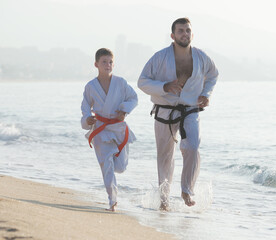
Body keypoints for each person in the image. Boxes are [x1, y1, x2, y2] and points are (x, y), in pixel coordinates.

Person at [138, 17, 218, 210]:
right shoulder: (159, 57)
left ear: (192, 34)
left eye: (188, 30)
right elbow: (142, 82)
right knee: (165, 156)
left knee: (192, 147)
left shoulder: (202, 57)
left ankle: (187, 189)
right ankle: (164, 200)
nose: (185, 34)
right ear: (173, 36)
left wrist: (206, 94)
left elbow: (213, 75)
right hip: (164, 110)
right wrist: (164, 86)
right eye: (181, 31)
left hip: (190, 109)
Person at [81, 48, 138, 211]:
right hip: (100, 129)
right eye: (104, 62)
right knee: (106, 165)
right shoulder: (90, 86)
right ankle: (112, 201)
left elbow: (133, 98)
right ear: (96, 64)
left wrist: (124, 110)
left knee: (120, 167)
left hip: (118, 127)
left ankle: (113, 160)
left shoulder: (121, 83)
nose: (108, 65)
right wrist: (87, 118)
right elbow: (85, 106)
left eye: (110, 62)